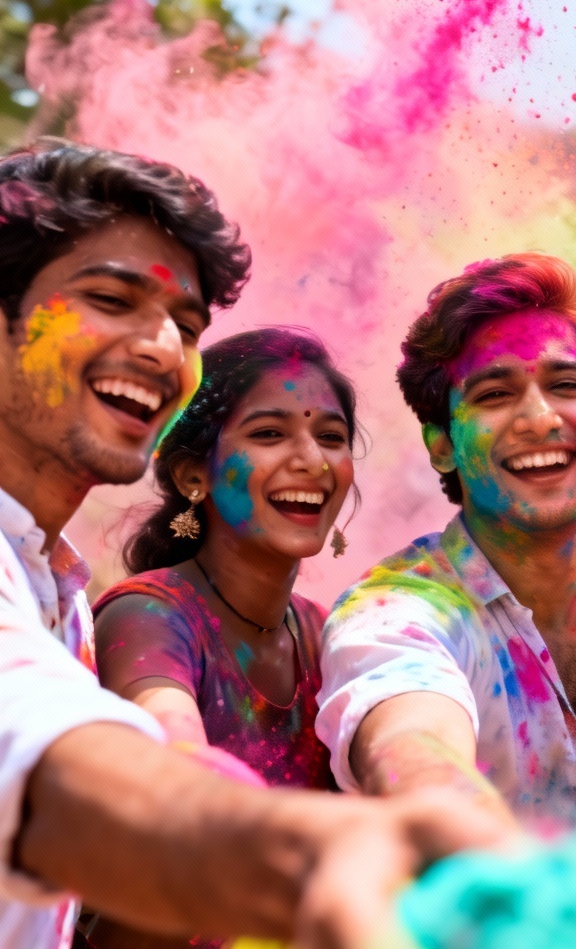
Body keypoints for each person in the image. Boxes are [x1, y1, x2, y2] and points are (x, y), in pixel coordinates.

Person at [0, 138, 506, 949]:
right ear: (197, 475)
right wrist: (311, 858)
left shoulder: (52, 584)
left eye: (185, 324)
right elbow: (73, 758)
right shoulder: (144, 613)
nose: (163, 347)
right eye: (111, 298)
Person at [316, 253, 576, 825]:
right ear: (441, 443)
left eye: (566, 384)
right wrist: (448, 811)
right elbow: (412, 749)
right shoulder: (395, 614)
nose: (539, 418)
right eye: (494, 395)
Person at [83, 328, 356, 948]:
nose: (312, 460)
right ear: (191, 476)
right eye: (269, 433)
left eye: (331, 438)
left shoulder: (327, 633)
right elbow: (170, 741)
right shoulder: (149, 615)